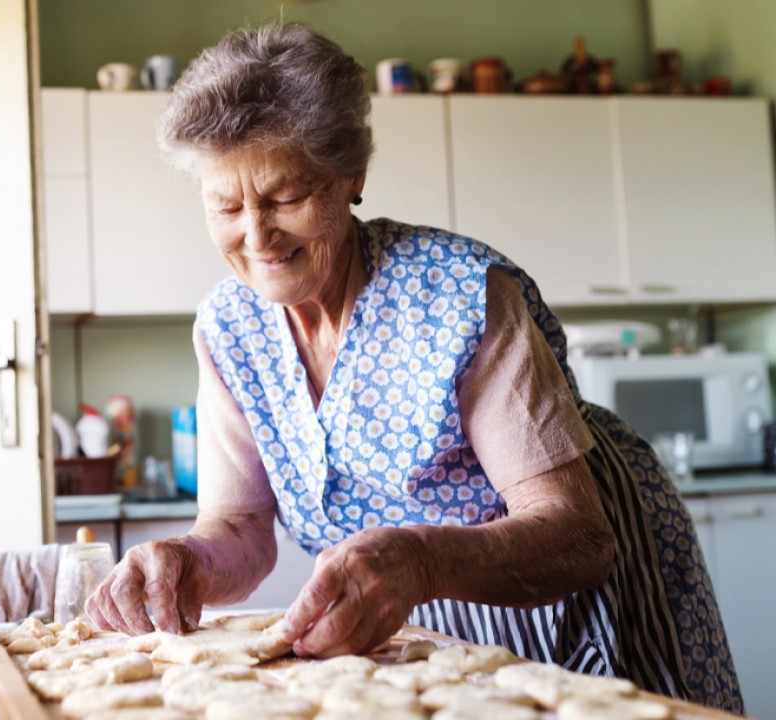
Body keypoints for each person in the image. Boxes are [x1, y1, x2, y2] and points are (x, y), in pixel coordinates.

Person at [83, 22, 742, 714]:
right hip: (418, 600)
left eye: (284, 197)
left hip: (565, 571)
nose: (256, 235)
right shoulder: (228, 329)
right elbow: (240, 529)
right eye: (225, 205)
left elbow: (575, 534)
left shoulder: (459, 297)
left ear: (350, 176)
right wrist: (186, 560)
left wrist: (422, 561)